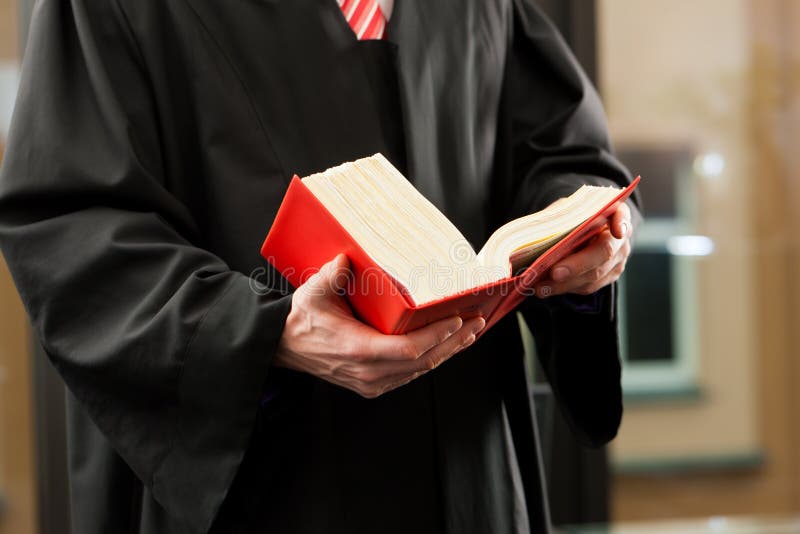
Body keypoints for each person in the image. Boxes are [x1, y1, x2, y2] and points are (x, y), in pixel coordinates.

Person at [0, 0, 640, 532]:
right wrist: (262, 331)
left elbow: (553, 147)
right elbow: (73, 220)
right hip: (270, 478)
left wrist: (580, 225)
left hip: (472, 464)